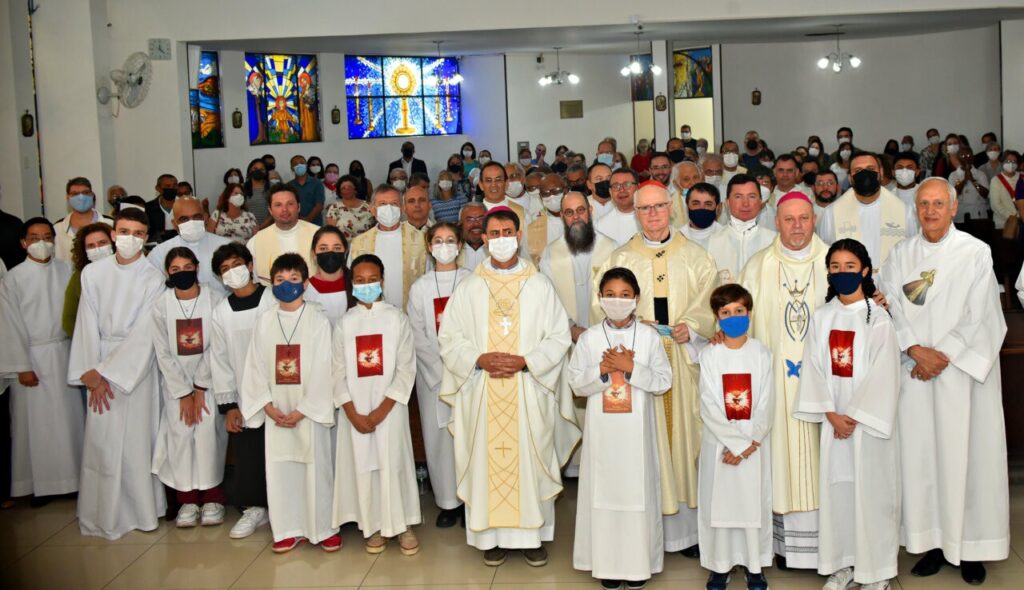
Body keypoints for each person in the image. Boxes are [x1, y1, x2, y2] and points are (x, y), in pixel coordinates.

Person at [878, 178, 1010, 585]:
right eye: (923, 204)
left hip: (962, 379)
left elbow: (982, 315)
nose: (930, 211)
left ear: (954, 208)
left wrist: (942, 355)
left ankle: (970, 548)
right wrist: (915, 349)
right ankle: (932, 544)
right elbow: (890, 306)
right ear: (914, 209)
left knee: (967, 459)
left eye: (938, 203)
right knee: (923, 460)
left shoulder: (975, 252)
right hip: (915, 374)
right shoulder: (900, 254)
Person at [437, 206, 580, 567]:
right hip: (482, 388)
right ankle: (491, 537)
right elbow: (449, 338)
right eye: (493, 234)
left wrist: (527, 361)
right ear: (484, 240)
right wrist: (478, 359)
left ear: (518, 236)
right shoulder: (468, 287)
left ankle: (532, 536)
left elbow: (559, 336)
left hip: (529, 388)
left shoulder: (540, 285)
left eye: (507, 233)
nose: (501, 240)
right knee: (487, 458)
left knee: (531, 457)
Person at [593, 181, 717, 559]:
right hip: (637, 361)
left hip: (681, 358)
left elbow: (710, 301)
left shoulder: (696, 256)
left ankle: (685, 533)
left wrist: (693, 326)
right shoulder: (620, 259)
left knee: (684, 438)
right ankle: (644, 527)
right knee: (643, 441)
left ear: (671, 207)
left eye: (659, 206)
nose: (653, 215)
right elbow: (603, 308)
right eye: (644, 209)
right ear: (634, 211)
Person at [793, 238, 901, 590]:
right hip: (834, 423)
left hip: (866, 426)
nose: (842, 273)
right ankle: (843, 565)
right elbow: (812, 367)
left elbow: (885, 372)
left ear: (865, 271)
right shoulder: (822, 317)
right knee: (838, 494)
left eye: (849, 267)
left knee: (872, 495)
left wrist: (852, 416)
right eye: (835, 267)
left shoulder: (878, 317)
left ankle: (876, 572)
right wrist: (831, 413)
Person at [738, 191, 829, 570]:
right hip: (774, 384)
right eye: (789, 219)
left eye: (804, 219)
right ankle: (784, 548)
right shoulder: (757, 266)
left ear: (814, 220)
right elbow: (739, 324)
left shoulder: (835, 262)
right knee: (778, 459)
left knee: (824, 459)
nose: (796, 226)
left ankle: (831, 544)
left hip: (826, 388)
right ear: (776, 221)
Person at [569, 267, 672, 590]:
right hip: (602, 434)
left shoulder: (648, 337)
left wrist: (631, 369)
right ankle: (607, 565)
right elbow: (575, 384)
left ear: (637, 299)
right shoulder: (589, 339)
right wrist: (602, 369)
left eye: (625, 295)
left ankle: (638, 564)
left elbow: (663, 382)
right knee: (604, 495)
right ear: (600, 299)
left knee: (636, 494)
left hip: (635, 435)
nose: (617, 301)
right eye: (610, 295)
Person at [68, 207, 167, 539]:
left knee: (137, 443)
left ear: (147, 238)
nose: (130, 239)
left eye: (138, 234)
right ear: (113, 234)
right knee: (102, 445)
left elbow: (145, 331)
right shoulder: (93, 274)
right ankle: (102, 516)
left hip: (136, 371)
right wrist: (91, 371)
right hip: (99, 365)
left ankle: (141, 513)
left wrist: (112, 373)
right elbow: (86, 323)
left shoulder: (153, 277)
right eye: (124, 232)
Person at [240, 253, 340, 553]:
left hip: (307, 410)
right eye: (280, 280)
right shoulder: (264, 321)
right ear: (271, 283)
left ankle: (323, 528)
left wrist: (303, 410)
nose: (287, 285)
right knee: (281, 469)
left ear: (306, 283)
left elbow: (326, 368)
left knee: (316, 468)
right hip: (277, 410)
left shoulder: (319, 320)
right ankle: (286, 528)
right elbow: (254, 366)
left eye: (294, 279)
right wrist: (267, 406)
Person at [332, 254, 421, 555]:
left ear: (382, 281)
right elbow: (336, 371)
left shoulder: (397, 319)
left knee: (393, 463)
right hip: (354, 410)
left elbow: (407, 368)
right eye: (360, 280)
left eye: (372, 280)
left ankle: (403, 524)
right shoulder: (345, 323)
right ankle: (372, 526)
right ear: (352, 283)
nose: (366, 285)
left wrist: (383, 410)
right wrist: (351, 411)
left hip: (390, 408)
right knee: (364, 466)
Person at [0, 218, 84, 505]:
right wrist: (21, 365)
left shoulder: (66, 269)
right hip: (32, 357)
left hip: (63, 353)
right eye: (34, 237)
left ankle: (72, 480)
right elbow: (8, 325)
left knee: (70, 421)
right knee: (34, 427)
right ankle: (37, 485)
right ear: (23, 242)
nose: (42, 243)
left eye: (47, 236)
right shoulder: (14, 278)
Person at [698, 283, 774, 590]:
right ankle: (719, 566)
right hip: (720, 444)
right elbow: (708, 404)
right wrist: (735, 444)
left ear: (750, 313)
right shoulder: (709, 354)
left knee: (752, 504)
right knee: (719, 505)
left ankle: (755, 566)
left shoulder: (762, 353)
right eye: (725, 313)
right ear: (717, 318)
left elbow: (767, 402)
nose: (733, 317)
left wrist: (748, 444)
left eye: (739, 311)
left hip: (753, 445)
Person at [151, 247, 228, 528]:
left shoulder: (215, 298)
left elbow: (216, 346)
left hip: (208, 383)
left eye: (187, 267)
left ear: (197, 268)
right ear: (166, 273)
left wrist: (199, 386)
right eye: (175, 269)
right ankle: (186, 501)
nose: (182, 273)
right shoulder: (161, 305)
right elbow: (162, 351)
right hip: (176, 386)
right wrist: (183, 392)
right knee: (181, 436)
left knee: (209, 436)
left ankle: (213, 499)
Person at [407, 223, 471, 528]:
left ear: (459, 245)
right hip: (433, 377)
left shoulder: (473, 281)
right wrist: (440, 371)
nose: (444, 245)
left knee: (469, 436)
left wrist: (463, 368)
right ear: (429, 247)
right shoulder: (419, 288)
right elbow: (417, 333)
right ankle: (448, 501)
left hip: (469, 374)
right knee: (439, 438)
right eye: (437, 241)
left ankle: (473, 500)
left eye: (450, 240)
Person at [209, 243, 274, 539]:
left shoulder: (273, 298)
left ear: (250, 265)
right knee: (250, 452)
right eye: (224, 270)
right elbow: (220, 360)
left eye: (236, 264)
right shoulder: (221, 312)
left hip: (280, 390)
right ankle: (256, 507)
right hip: (244, 396)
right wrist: (229, 405)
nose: (232, 272)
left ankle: (285, 505)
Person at [818, 152, 917, 271]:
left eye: (871, 169)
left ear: (880, 173)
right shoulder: (831, 213)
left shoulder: (904, 211)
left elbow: (912, 252)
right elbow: (823, 254)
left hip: (890, 285)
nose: (865, 174)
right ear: (850, 178)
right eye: (858, 170)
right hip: (849, 284)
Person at [348, 184, 427, 309]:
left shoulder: (422, 239)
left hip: (412, 311)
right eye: (383, 204)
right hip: (372, 313)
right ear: (373, 210)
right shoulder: (359, 243)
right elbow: (353, 282)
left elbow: (430, 277)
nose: (389, 208)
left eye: (394, 204)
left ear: (402, 208)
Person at [147, 197, 233, 296]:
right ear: (174, 224)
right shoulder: (159, 253)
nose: (191, 222)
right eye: (184, 219)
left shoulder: (226, 246)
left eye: (197, 217)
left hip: (222, 306)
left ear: (205, 217)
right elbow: (154, 291)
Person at [706, 175, 776, 283]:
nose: (745, 203)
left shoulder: (774, 241)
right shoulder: (712, 242)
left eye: (752, 196)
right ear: (727, 202)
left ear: (761, 201)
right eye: (738, 197)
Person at [246, 186, 321, 285]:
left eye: (290, 204)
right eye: (278, 205)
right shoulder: (256, 241)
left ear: (299, 207)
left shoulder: (319, 235)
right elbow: (255, 280)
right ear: (270, 210)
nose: (284, 209)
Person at [62, 223, 114, 337]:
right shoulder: (79, 276)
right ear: (84, 250)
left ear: (113, 242)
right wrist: (87, 340)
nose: (97, 249)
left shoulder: (126, 271)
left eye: (102, 243)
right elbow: (69, 318)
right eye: (91, 246)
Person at [54, 177, 112, 263]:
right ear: (67, 197)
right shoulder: (57, 229)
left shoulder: (111, 224)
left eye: (85, 193)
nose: (81, 197)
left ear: (92, 195)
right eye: (75, 194)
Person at [304, 226, 350, 324]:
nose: (330, 253)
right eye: (323, 248)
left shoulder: (358, 285)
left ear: (345, 252)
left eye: (337, 248)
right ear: (314, 254)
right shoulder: (305, 288)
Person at [523, 174, 566, 265]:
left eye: (555, 191)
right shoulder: (533, 223)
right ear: (540, 197)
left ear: (566, 190)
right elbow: (528, 260)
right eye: (545, 193)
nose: (551, 196)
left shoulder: (579, 216)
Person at [595, 168, 640, 247]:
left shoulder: (653, 217)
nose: (622, 190)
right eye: (616, 186)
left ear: (638, 187)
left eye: (627, 185)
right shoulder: (600, 226)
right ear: (610, 192)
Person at [325, 175, 375, 240]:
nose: (347, 190)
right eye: (343, 188)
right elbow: (331, 233)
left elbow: (375, 228)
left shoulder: (368, 207)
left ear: (355, 189)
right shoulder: (334, 208)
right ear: (339, 192)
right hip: (342, 247)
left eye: (350, 187)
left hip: (364, 246)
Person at [680, 181, 723, 249]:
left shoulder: (727, 236)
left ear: (718, 208)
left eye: (708, 204)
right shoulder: (678, 237)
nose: (702, 208)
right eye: (696, 204)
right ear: (687, 206)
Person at [287, 155, 326, 225]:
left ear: (306, 165)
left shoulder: (317, 183)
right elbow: (287, 206)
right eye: (295, 164)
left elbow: (319, 205)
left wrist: (307, 220)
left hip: (315, 224)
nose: (299, 165)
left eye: (302, 163)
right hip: (295, 224)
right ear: (292, 168)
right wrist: (300, 220)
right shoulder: (288, 186)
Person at [989, 150, 1022, 232]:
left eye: (1014, 161)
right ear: (1002, 162)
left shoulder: (1022, 177)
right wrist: (1014, 216)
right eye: (1008, 161)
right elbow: (995, 205)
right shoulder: (996, 180)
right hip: (1004, 224)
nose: (1011, 164)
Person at [145, 173, 180, 245]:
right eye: (167, 186)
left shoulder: (186, 206)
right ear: (158, 188)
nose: (171, 188)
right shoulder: (148, 208)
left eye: (174, 185)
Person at [668, 161, 703, 227]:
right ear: (676, 184)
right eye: (686, 179)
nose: (692, 183)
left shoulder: (710, 199)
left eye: (695, 177)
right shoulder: (669, 204)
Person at [457, 202, 488, 271]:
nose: (476, 224)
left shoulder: (496, 250)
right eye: (469, 220)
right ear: (460, 224)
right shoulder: (454, 252)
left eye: (481, 219)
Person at [243, 158, 272, 227]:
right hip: (246, 228)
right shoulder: (242, 188)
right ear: (250, 170)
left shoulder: (272, 187)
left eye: (262, 169)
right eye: (255, 169)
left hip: (267, 228)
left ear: (266, 172)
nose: (258, 171)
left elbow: (274, 211)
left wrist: (260, 227)